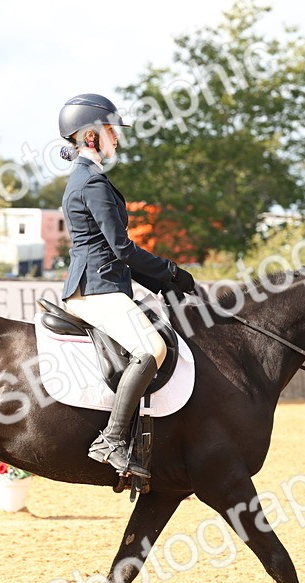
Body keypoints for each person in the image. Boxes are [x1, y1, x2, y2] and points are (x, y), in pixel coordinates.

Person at [56, 93, 196, 479]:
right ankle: (112, 439)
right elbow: (122, 248)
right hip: (95, 289)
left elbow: (113, 253)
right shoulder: (92, 182)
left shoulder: (88, 178)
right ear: (90, 137)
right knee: (152, 349)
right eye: (110, 131)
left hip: (104, 281)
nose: (116, 138)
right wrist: (171, 272)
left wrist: (161, 283)